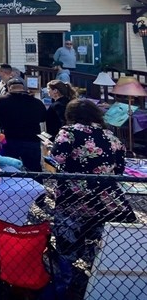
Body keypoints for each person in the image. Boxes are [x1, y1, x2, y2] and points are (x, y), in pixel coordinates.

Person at [51, 99, 136, 263]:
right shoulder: (109, 135)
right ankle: (98, 264)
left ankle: (67, 269)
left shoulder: (68, 132)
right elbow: (119, 167)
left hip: (73, 192)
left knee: (68, 233)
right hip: (104, 194)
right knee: (103, 234)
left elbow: (58, 157)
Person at [0, 78, 46, 171]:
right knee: (34, 169)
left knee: (8, 168)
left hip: (9, 139)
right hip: (32, 140)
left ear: (8, 88)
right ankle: (37, 185)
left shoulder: (1, 100)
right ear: (23, 88)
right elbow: (43, 118)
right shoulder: (36, 102)